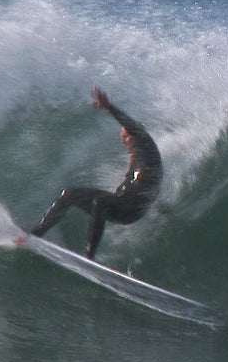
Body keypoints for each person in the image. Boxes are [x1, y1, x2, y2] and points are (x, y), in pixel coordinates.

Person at [31, 87, 163, 260]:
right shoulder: (137, 162)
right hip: (120, 207)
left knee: (100, 201)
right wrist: (164, 210)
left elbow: (133, 128)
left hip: (131, 209)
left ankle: (89, 255)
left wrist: (109, 107)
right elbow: (151, 190)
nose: (128, 139)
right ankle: (35, 234)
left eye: (129, 135)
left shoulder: (149, 151)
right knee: (69, 194)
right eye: (125, 138)